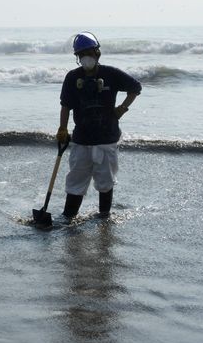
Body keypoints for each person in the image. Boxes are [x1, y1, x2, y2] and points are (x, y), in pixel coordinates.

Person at [57, 32, 142, 219]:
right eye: (82, 54)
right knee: (76, 182)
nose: (86, 57)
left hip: (107, 138)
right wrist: (62, 128)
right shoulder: (72, 77)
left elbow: (136, 88)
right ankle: (68, 218)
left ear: (97, 53)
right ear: (78, 58)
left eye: (89, 53)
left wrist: (122, 108)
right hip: (82, 140)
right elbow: (65, 105)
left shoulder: (110, 74)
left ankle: (104, 217)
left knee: (105, 181)